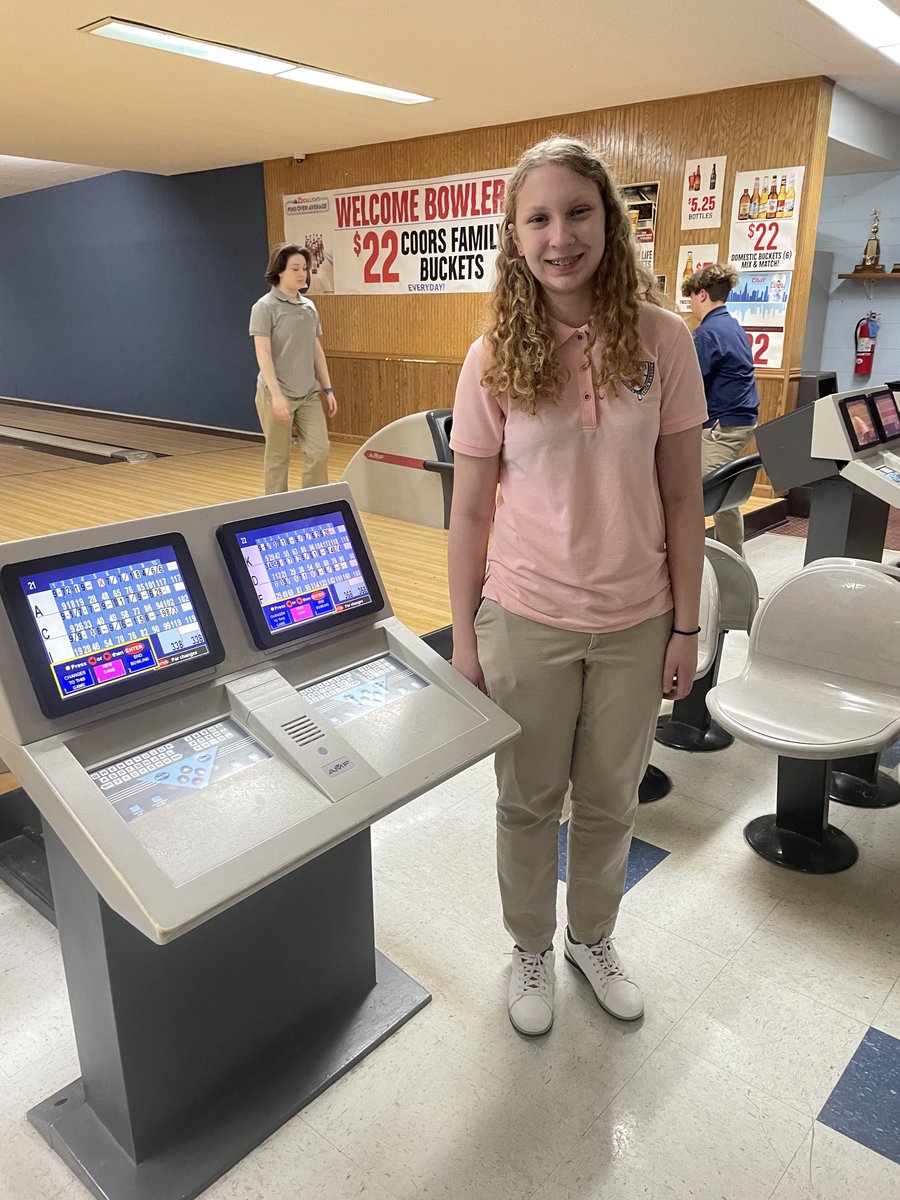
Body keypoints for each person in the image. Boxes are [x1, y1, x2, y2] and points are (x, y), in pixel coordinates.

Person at [448, 136, 707, 1037]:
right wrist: (465, 639)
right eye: (539, 219)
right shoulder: (491, 358)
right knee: (526, 802)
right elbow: (469, 511)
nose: (560, 236)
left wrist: (687, 628)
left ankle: (591, 938)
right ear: (516, 237)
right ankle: (529, 945)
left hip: (638, 621)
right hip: (526, 614)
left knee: (608, 800)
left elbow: (683, 496)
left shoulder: (664, 340)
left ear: (610, 221)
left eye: (577, 212)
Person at [681, 263, 760, 556]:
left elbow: (689, 383)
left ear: (702, 294)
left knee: (707, 494)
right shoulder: (732, 326)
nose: (691, 305)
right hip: (739, 420)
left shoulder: (708, 333)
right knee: (723, 495)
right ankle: (729, 555)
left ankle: (727, 560)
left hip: (721, 426)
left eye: (691, 297)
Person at [249, 243, 338, 494]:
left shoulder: (309, 307)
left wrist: (328, 389)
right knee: (278, 457)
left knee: (320, 450)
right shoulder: (264, 307)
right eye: (295, 268)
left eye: (305, 269)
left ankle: (312, 503)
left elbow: (316, 350)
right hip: (276, 393)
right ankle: (277, 508)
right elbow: (263, 354)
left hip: (308, 393)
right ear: (279, 271)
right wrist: (277, 396)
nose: (302, 274)